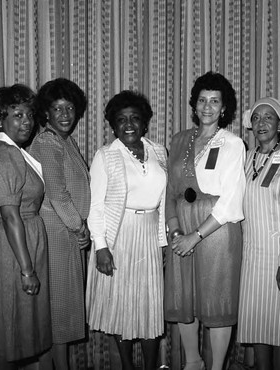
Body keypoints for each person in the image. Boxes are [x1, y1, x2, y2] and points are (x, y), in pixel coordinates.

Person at [164, 71, 246, 370]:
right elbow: (170, 191)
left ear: (224, 108)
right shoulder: (179, 139)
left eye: (215, 101)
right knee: (185, 295)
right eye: (202, 100)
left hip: (215, 230)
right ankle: (193, 363)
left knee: (216, 297)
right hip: (181, 225)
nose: (208, 107)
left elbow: (231, 201)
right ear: (194, 104)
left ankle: (215, 367)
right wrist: (174, 230)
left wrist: (194, 236)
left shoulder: (232, 143)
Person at [86, 90, 167, 370]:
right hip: (117, 238)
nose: (129, 124)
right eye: (121, 120)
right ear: (113, 125)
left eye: (135, 118)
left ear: (144, 123)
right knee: (122, 307)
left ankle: (150, 365)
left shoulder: (159, 151)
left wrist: (162, 241)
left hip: (149, 237)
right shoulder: (105, 156)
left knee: (149, 307)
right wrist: (101, 246)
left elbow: (164, 202)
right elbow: (95, 206)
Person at [0, 84, 52, 369]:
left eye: (29, 114)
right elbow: (9, 215)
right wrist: (27, 269)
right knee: (3, 327)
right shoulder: (6, 154)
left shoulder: (15, 151)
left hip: (23, 242)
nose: (26, 121)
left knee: (15, 328)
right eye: (17, 115)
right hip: (13, 250)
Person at [236, 97, 280, 370]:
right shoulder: (248, 159)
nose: (261, 123)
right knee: (258, 323)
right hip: (253, 255)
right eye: (256, 118)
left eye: (268, 117)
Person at [28, 78, 90, 370]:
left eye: (70, 107)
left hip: (67, 233)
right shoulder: (47, 141)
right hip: (58, 233)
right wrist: (80, 227)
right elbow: (57, 194)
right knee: (57, 314)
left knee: (59, 313)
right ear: (46, 113)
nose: (65, 114)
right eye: (57, 108)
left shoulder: (66, 141)